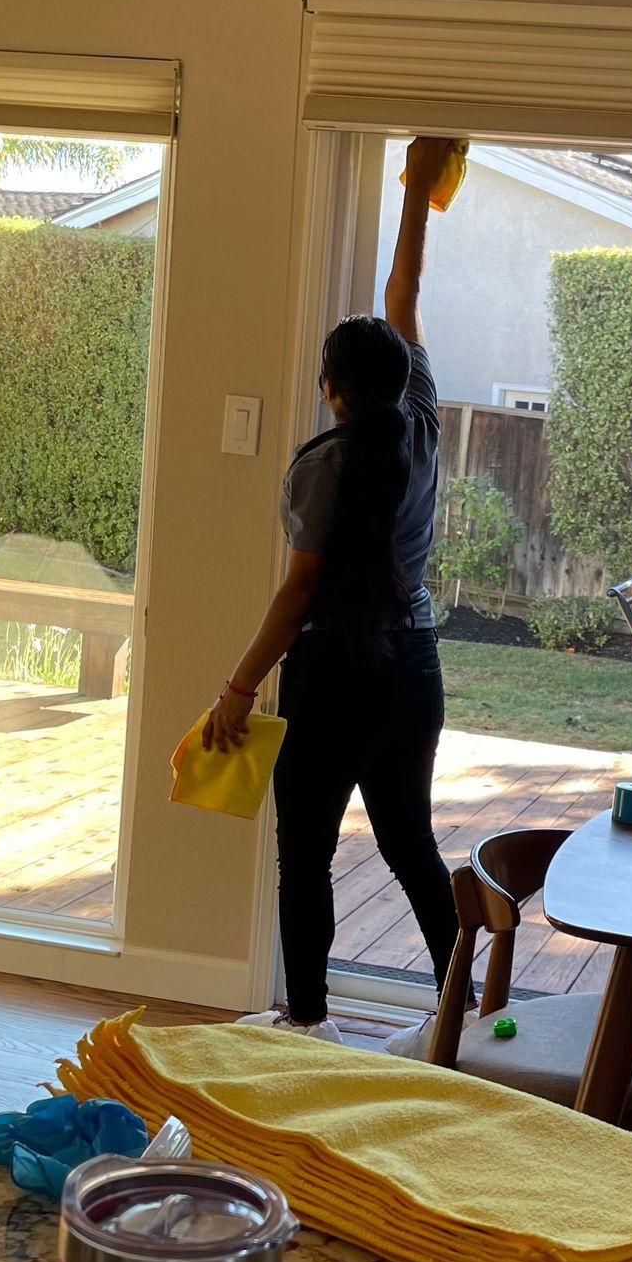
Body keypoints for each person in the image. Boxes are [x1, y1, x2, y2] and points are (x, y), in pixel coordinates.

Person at [203, 136, 463, 1036]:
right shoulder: (422, 424)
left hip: (332, 680)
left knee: (305, 857)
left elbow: (299, 590)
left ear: (329, 391)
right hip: (413, 667)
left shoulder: (317, 466)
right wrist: (417, 190)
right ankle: (458, 1012)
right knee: (412, 847)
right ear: (399, 377)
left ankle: (309, 1024)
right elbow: (405, 298)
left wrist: (237, 689)